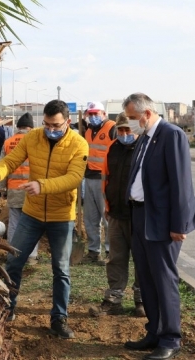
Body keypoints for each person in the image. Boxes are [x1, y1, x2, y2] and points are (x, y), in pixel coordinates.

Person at [122, 93, 195, 360]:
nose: (130, 124)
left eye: (133, 118)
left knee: (163, 278)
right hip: (140, 216)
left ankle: (171, 338)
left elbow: (182, 184)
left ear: (146, 114)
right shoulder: (144, 138)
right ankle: (154, 331)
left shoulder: (172, 135)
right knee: (145, 276)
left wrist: (179, 224)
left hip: (162, 220)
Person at [0, 100, 89, 339]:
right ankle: (8, 309)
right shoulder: (33, 137)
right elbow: (11, 161)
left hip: (61, 217)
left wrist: (41, 185)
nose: (50, 129)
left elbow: (74, 178)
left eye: (55, 125)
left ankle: (59, 319)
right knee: (14, 262)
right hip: (31, 214)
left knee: (61, 269)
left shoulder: (79, 144)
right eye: (46, 124)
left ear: (67, 121)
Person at [89, 112, 145, 318]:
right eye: (120, 130)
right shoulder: (112, 148)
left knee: (141, 258)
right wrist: (107, 204)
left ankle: (142, 301)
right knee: (116, 258)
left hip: (138, 215)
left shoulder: (145, 149)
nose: (123, 134)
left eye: (127, 130)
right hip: (115, 214)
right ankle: (114, 300)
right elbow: (106, 178)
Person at [0, 112, 39, 265]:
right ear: (31, 128)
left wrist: (2, 189)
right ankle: (31, 256)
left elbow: (3, 166)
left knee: (14, 223)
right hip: (32, 190)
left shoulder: (8, 142)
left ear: (18, 127)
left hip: (14, 189)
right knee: (33, 223)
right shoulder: (35, 142)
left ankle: (13, 254)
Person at [82, 101, 116, 263]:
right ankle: (93, 251)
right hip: (88, 177)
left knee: (107, 217)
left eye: (97, 113)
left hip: (105, 179)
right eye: (91, 114)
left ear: (104, 114)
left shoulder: (112, 128)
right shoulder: (88, 130)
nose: (93, 116)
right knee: (90, 217)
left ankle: (111, 251)